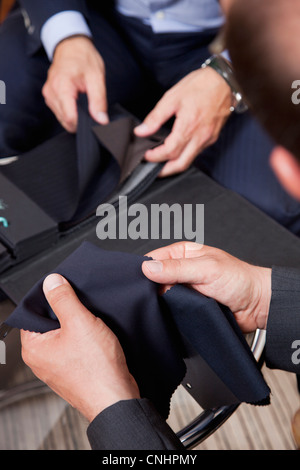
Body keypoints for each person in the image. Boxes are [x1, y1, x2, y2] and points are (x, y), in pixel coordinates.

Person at [19, 0, 300, 450]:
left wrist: (111, 405)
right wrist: (264, 295)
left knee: (264, 201)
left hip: (217, 49)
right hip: (103, 23)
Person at [1, 0, 300, 234]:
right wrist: (67, 38)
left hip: (237, 37)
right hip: (101, 20)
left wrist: (229, 75)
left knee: (272, 205)